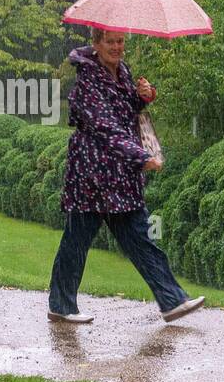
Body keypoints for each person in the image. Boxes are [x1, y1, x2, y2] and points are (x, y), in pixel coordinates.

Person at [47, 28, 205, 324]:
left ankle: (172, 300)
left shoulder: (122, 72)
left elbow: (124, 112)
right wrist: (141, 156)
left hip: (120, 179)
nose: (117, 47)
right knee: (76, 242)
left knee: (141, 239)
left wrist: (143, 97)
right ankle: (61, 305)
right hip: (92, 177)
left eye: (120, 42)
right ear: (96, 45)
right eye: (110, 42)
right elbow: (107, 128)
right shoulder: (87, 83)